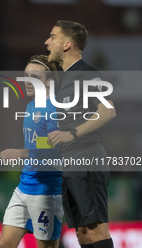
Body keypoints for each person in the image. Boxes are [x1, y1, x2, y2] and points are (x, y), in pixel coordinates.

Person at [45, 20, 116, 248]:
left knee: (96, 229)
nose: (47, 41)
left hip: (87, 156)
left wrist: (73, 133)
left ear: (67, 44)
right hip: (69, 161)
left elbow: (108, 111)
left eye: (52, 37)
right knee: (83, 232)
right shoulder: (63, 78)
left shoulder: (86, 74)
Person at [0, 55, 63, 248]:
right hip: (25, 185)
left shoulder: (55, 108)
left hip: (47, 189)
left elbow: (55, 146)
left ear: (49, 81)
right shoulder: (31, 105)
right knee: (5, 243)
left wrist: (21, 153)